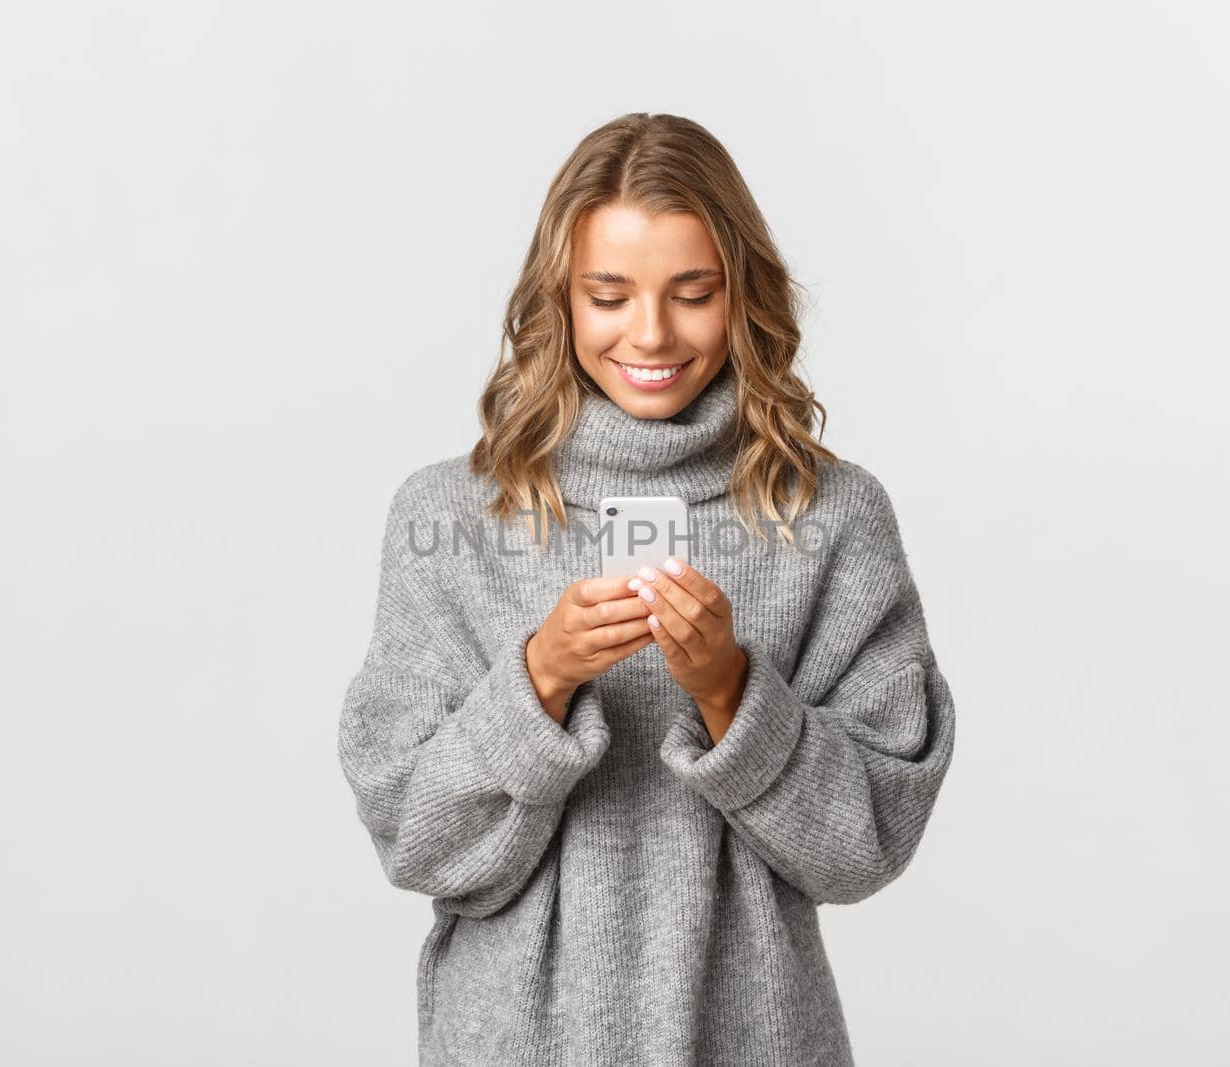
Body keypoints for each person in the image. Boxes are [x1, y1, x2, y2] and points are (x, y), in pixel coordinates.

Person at [337, 112, 957, 1066]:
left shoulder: (833, 516)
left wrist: (729, 691)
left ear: (742, 293)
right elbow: (415, 839)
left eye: (693, 291)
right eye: (609, 294)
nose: (651, 332)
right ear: (561, 300)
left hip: (755, 1037)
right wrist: (539, 679)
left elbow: (866, 844)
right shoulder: (452, 516)